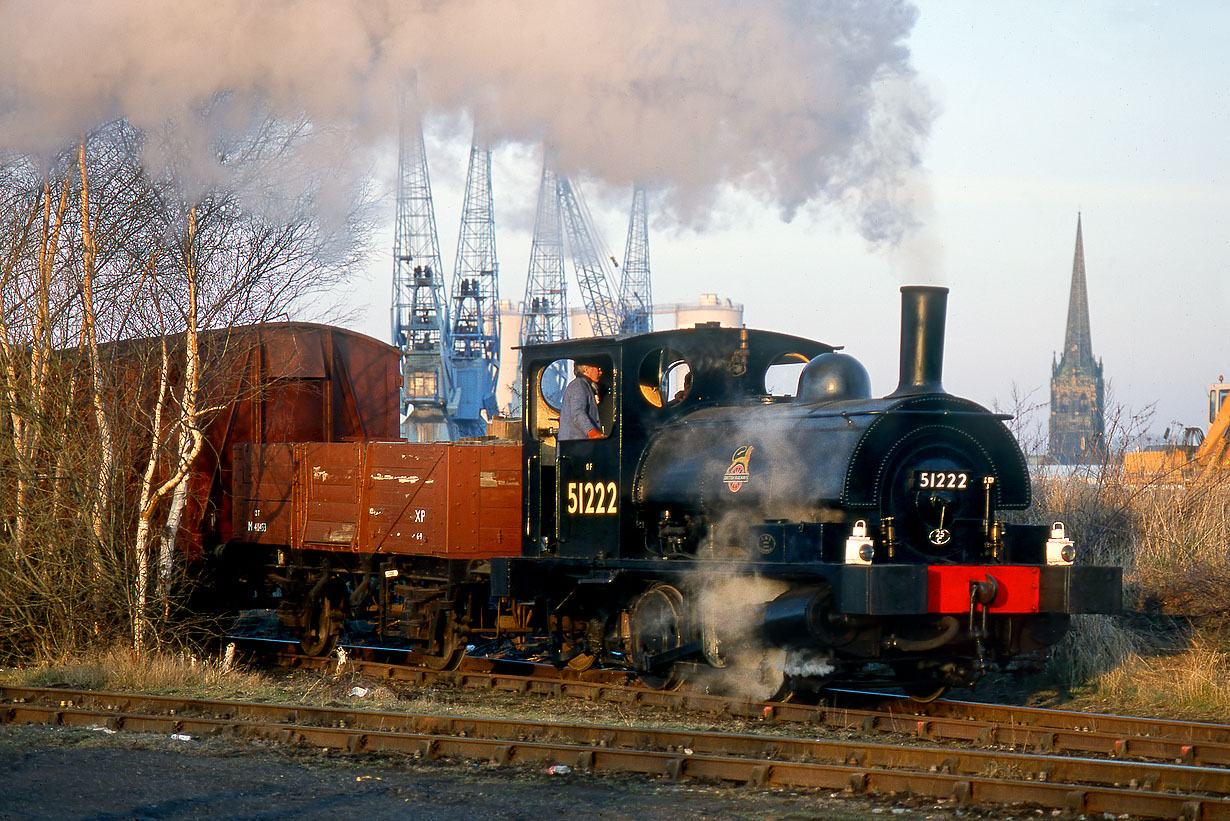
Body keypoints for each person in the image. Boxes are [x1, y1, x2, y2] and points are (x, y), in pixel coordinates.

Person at [559, 361, 603, 440]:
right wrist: (592, 432)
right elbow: (578, 413)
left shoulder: (585, 386)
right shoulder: (579, 385)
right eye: (598, 369)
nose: (600, 372)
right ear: (586, 370)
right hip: (575, 447)